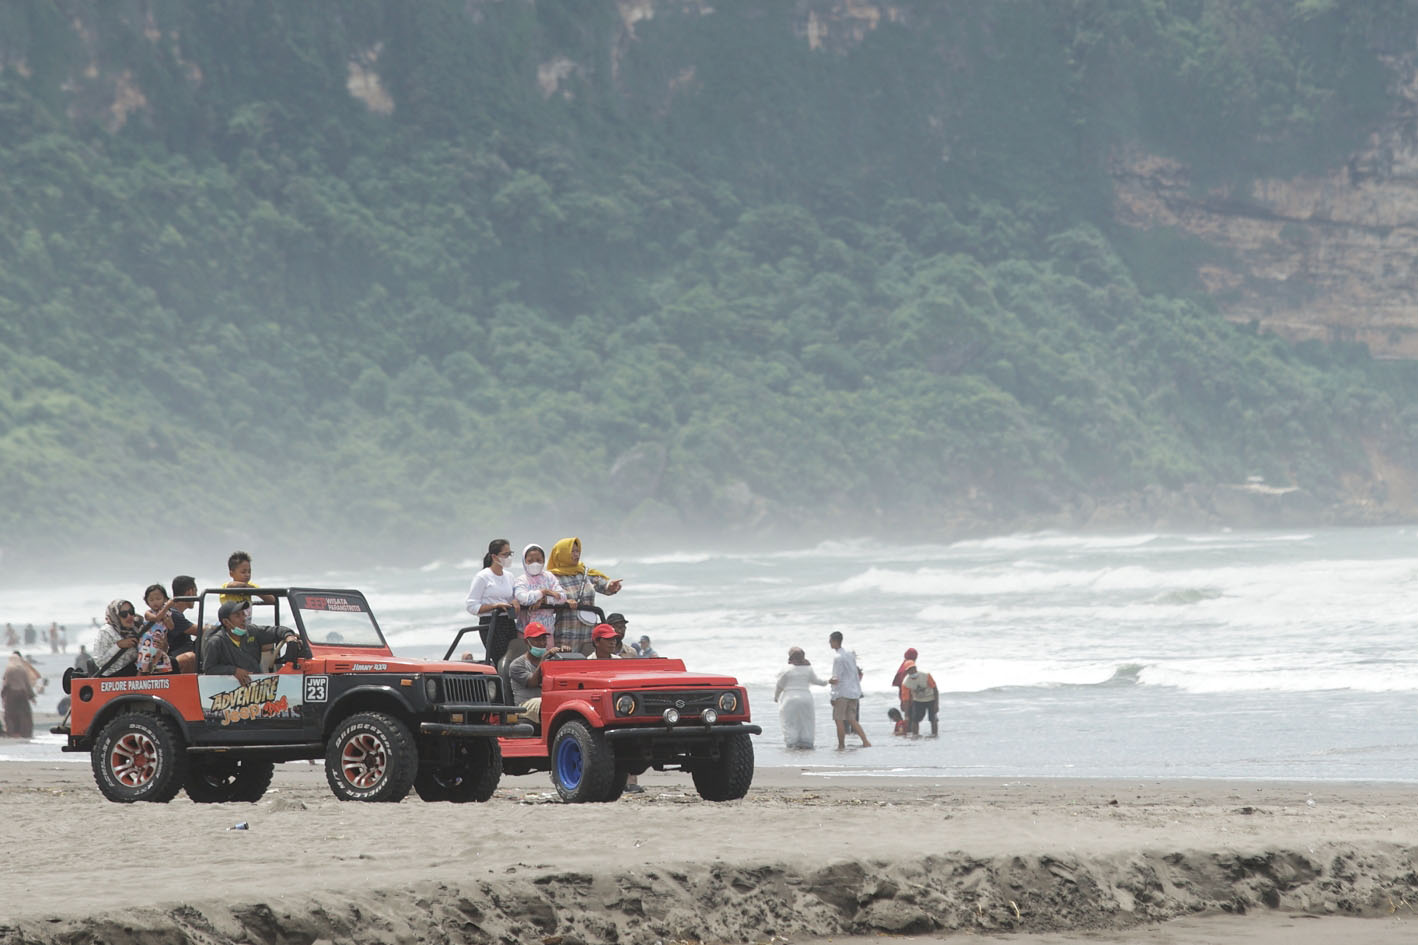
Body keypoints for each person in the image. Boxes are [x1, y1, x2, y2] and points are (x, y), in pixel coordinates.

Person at [548, 537, 623, 654]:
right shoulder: (551, 577)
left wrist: (611, 586)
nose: (576, 554)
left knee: (588, 665)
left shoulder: (584, 573)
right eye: (572, 551)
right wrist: (564, 602)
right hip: (566, 632)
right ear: (561, 553)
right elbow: (547, 598)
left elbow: (603, 586)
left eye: (577, 551)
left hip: (588, 632)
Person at [201, 600, 299, 686]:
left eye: (243, 614)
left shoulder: (252, 631)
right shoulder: (216, 642)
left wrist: (289, 636)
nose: (243, 619)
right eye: (237, 616)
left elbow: (276, 631)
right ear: (226, 622)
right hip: (228, 691)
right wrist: (233, 670)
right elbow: (209, 669)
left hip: (257, 685)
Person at [464, 538, 519, 666]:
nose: (508, 557)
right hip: (491, 624)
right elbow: (471, 606)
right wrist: (494, 606)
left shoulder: (509, 576)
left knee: (514, 659)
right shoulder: (483, 577)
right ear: (494, 556)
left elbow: (512, 597)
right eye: (505, 554)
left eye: (510, 554)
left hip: (508, 623)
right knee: (501, 660)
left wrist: (515, 602)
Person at [506, 622, 569, 726]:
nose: (542, 643)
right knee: (547, 702)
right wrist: (544, 659)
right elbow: (532, 682)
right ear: (527, 642)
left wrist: (565, 657)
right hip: (525, 705)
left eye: (544, 639)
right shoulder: (517, 665)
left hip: (546, 700)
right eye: (537, 640)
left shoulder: (551, 660)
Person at [774, 647, 827, 749]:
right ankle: (806, 743)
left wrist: (776, 697)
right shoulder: (808, 669)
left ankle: (791, 743)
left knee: (789, 722)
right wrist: (828, 681)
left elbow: (779, 685)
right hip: (806, 698)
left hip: (789, 699)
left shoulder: (786, 670)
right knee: (807, 722)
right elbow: (818, 681)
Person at [513, 543, 567, 638]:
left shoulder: (549, 577)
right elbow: (523, 599)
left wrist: (544, 600)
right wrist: (543, 592)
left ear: (543, 561)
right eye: (530, 561)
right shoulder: (520, 580)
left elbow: (562, 597)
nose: (535, 563)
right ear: (524, 561)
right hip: (526, 633)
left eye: (538, 560)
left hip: (547, 632)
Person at [828, 630, 870, 749]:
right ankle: (865, 741)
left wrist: (833, 695)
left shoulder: (838, 657)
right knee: (852, 719)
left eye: (830, 641)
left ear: (836, 642)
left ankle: (841, 745)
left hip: (842, 692)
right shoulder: (850, 655)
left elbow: (836, 678)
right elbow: (854, 674)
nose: (829, 643)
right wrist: (858, 690)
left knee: (838, 719)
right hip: (853, 691)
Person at [93, 600, 141, 676]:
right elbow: (99, 661)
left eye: (131, 612)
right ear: (115, 615)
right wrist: (118, 646)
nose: (129, 616)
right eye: (123, 614)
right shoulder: (106, 631)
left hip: (134, 677)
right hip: (112, 679)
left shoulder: (136, 629)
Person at [165, 575, 200, 673]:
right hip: (174, 657)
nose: (196, 596)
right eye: (196, 592)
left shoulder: (176, 613)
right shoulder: (172, 613)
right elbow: (198, 630)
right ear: (190, 592)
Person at [2, 652, 37, 738]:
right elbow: (27, 684)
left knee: (10, 714)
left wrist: (2, 694)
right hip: (23, 694)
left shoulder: (9, 669)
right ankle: (25, 733)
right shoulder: (22, 669)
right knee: (24, 715)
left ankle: (12, 732)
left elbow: (6, 683)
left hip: (12, 694)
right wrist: (32, 696)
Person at [901, 662, 940, 737]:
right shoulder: (906, 683)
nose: (913, 671)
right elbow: (906, 699)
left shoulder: (926, 675)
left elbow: (935, 689)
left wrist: (936, 704)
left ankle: (934, 735)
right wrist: (906, 715)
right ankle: (915, 735)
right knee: (915, 719)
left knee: (933, 719)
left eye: (913, 669)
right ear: (907, 672)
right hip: (918, 701)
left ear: (916, 668)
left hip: (930, 699)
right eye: (910, 670)